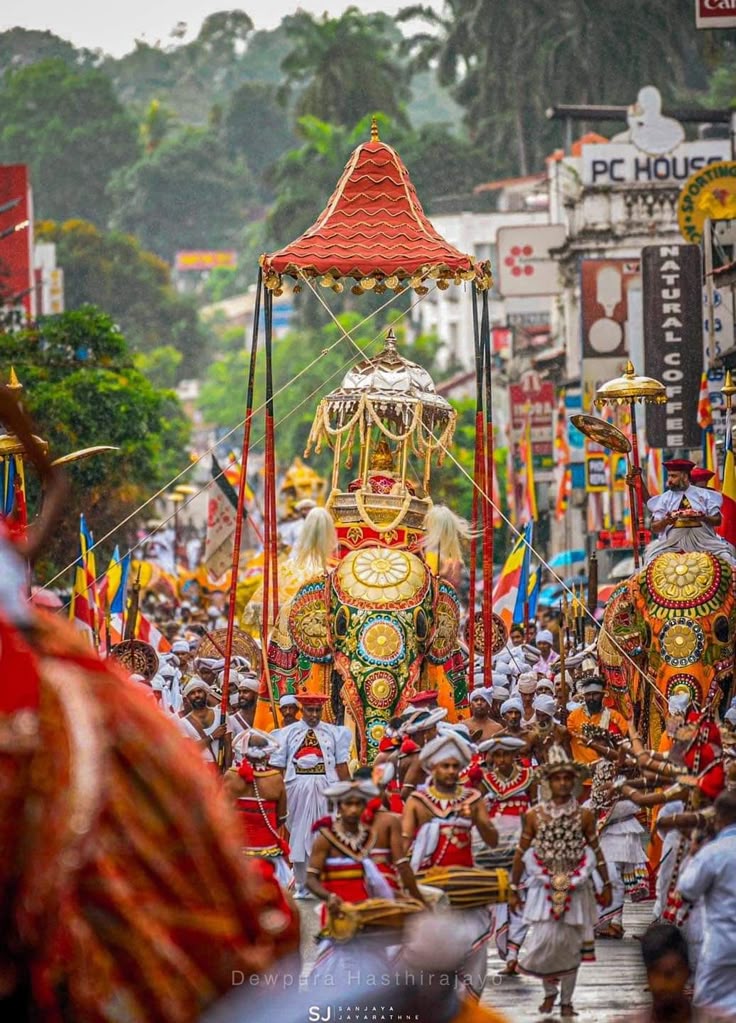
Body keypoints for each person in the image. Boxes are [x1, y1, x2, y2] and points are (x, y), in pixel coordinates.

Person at [511, 746, 611, 1018]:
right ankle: (549, 993)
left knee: (570, 946)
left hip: (578, 887)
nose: (564, 783)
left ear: (575, 781)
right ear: (549, 782)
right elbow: (522, 852)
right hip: (542, 888)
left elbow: (595, 848)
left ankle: (566, 999)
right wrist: (512, 888)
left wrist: (607, 884)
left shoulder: (585, 815)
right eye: (558, 778)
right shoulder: (533, 815)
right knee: (544, 942)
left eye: (568, 778)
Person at [402, 733, 498, 1001]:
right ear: (432, 768)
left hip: (467, 891)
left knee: (473, 954)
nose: (451, 771)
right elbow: (404, 845)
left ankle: (466, 1009)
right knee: (430, 961)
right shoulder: (418, 803)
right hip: (430, 892)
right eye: (445, 766)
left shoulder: (473, 798)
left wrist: (477, 819)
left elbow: (492, 840)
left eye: (456, 766)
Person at [306, 777, 396, 983]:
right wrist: (329, 897)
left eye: (358, 804)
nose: (353, 810)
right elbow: (310, 879)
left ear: (365, 806)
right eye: (348, 804)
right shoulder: (325, 838)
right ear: (340, 806)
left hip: (365, 914)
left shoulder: (369, 837)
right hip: (338, 914)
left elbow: (371, 877)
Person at [269, 693, 351, 899]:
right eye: (310, 711)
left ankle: (323, 881)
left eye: (317, 711)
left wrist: (349, 791)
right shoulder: (286, 733)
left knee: (324, 834)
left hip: (326, 789)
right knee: (299, 837)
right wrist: (275, 795)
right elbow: (277, 768)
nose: (314, 715)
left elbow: (341, 765)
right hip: (296, 791)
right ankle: (302, 884)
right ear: (302, 710)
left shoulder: (334, 733)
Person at [476, 735, 534, 975]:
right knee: (500, 895)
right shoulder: (486, 781)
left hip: (524, 842)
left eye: (506, 754)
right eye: (497, 755)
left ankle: (513, 953)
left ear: (515, 756)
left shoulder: (529, 778)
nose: (501, 760)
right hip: (495, 847)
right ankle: (504, 944)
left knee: (521, 893)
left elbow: (537, 808)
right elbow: (478, 811)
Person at [676, 790, 736, 1023]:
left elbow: (686, 890)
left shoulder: (712, 853)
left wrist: (693, 855)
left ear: (718, 819)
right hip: (719, 943)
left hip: (721, 944)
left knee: (707, 1008)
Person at [223, 729, 292, 889]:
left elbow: (222, 812)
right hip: (267, 850)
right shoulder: (275, 779)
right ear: (267, 755)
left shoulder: (231, 776)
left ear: (244, 753)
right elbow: (281, 817)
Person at [643, 458, 736, 567]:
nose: (669, 481)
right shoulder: (664, 498)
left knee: (727, 559)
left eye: (674, 476)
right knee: (650, 563)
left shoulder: (705, 495)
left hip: (705, 541)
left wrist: (703, 518)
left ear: (685, 477)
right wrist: (666, 521)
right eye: (669, 476)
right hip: (671, 543)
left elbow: (717, 521)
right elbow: (654, 527)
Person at [567, 676, 627, 769]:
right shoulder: (574, 717)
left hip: (608, 774)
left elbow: (625, 745)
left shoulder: (614, 716)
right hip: (583, 775)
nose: (591, 698)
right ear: (584, 696)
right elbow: (566, 739)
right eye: (588, 694)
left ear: (602, 695)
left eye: (595, 694)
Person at [177, 677, 231, 768]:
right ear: (188, 698)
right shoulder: (182, 723)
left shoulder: (221, 715)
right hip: (198, 771)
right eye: (192, 693)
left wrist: (228, 772)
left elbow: (228, 744)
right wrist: (212, 736)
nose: (197, 695)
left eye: (199, 691)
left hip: (219, 769)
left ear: (206, 694)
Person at [226, 672, 260, 739]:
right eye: (239, 692)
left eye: (245, 692)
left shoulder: (265, 717)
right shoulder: (232, 720)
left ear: (256, 695)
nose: (241, 695)